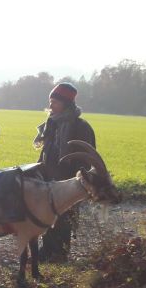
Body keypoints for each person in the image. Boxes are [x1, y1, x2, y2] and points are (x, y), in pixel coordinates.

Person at [33, 82, 95, 262]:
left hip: (69, 181)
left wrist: (77, 182)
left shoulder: (81, 127)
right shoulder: (51, 124)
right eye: (50, 101)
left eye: (55, 102)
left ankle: (59, 254)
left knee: (64, 219)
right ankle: (46, 251)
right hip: (49, 180)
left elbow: (86, 157)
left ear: (66, 104)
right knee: (48, 215)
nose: (51, 105)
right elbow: (46, 151)